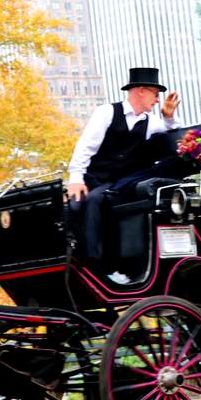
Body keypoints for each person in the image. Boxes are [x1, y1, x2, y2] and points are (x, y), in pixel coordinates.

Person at [67, 67, 181, 284]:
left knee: (96, 201)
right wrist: (75, 178)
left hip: (121, 184)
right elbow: (86, 146)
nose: (158, 100)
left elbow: (172, 140)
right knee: (76, 205)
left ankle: (99, 266)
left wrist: (169, 117)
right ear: (140, 91)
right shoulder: (107, 112)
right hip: (94, 179)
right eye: (155, 94)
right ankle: (79, 261)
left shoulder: (152, 123)